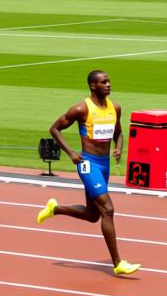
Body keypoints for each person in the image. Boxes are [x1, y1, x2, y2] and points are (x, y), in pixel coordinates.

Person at [37, 70, 140, 276]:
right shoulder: (81, 109)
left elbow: (118, 133)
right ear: (93, 86)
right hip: (88, 164)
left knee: (93, 215)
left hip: (104, 164)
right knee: (108, 210)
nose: (109, 85)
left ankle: (55, 209)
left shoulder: (115, 107)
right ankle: (118, 263)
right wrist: (71, 153)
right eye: (104, 82)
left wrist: (118, 147)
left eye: (109, 81)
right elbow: (54, 129)